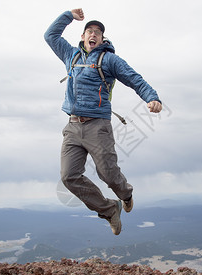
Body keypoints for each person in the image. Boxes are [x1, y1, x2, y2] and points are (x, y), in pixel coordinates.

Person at [44, 8, 162, 235]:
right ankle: (110, 209)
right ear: (83, 37)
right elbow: (50, 36)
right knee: (69, 176)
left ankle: (125, 194)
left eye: (97, 32)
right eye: (89, 31)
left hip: (98, 125)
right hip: (72, 125)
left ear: (102, 38)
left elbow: (134, 78)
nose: (93, 34)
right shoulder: (71, 56)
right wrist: (68, 15)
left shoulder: (109, 60)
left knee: (107, 173)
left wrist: (152, 98)